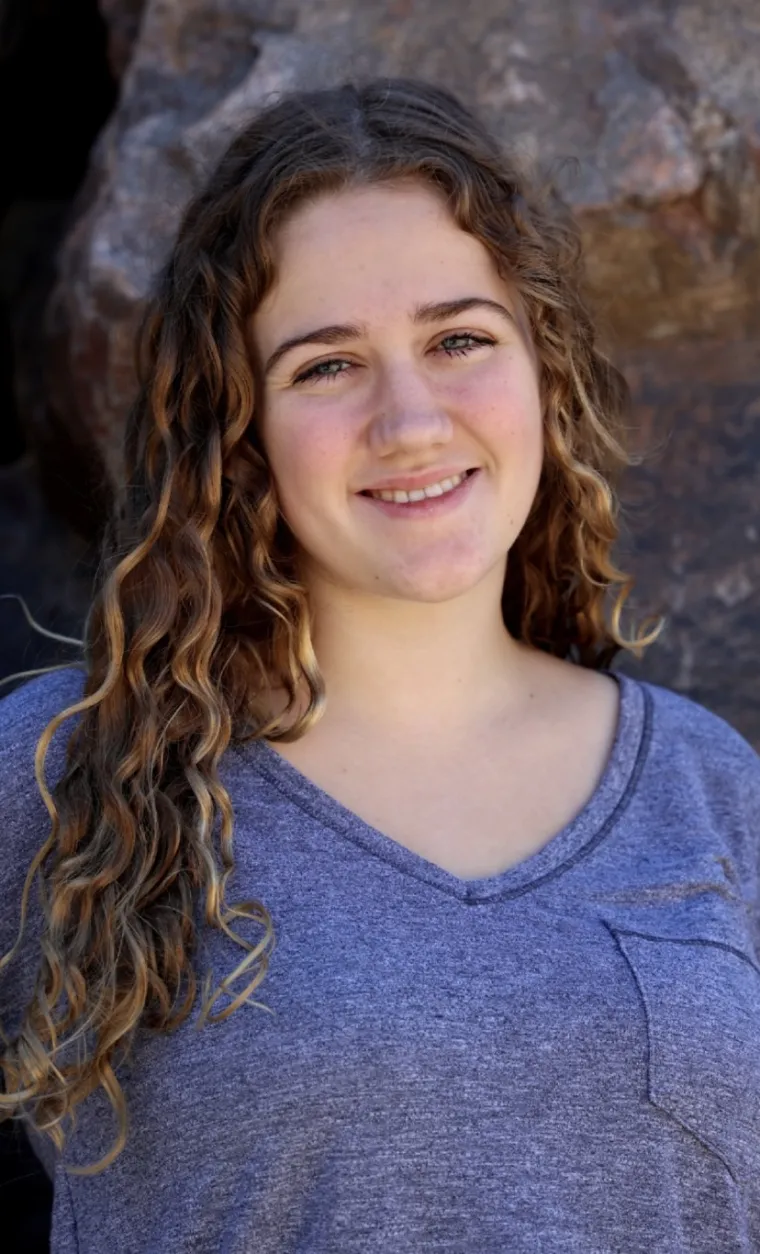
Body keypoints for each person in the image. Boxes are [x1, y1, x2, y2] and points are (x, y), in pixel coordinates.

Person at [1, 77, 759, 1254]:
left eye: (458, 339)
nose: (410, 419)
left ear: (542, 370)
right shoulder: (68, 773)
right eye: (326, 365)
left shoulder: (708, 786)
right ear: (234, 426)